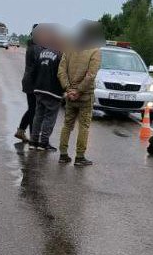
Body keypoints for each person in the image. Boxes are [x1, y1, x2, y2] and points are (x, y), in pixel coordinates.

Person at [57, 21, 103, 166]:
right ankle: (80, 157)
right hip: (85, 96)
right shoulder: (95, 50)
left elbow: (61, 71)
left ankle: (63, 154)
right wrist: (78, 91)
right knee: (84, 126)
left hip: (70, 95)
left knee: (67, 125)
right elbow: (91, 75)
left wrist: (68, 89)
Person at [29, 26, 65, 151]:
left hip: (39, 89)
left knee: (38, 116)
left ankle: (33, 141)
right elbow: (62, 74)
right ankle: (44, 143)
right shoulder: (60, 56)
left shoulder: (41, 53)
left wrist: (35, 86)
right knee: (49, 118)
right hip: (53, 91)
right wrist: (64, 89)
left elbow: (33, 71)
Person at [14, 24, 42, 143]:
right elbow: (39, 65)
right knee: (33, 110)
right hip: (32, 82)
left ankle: (21, 131)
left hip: (29, 81)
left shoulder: (33, 44)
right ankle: (33, 137)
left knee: (32, 109)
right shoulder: (36, 47)